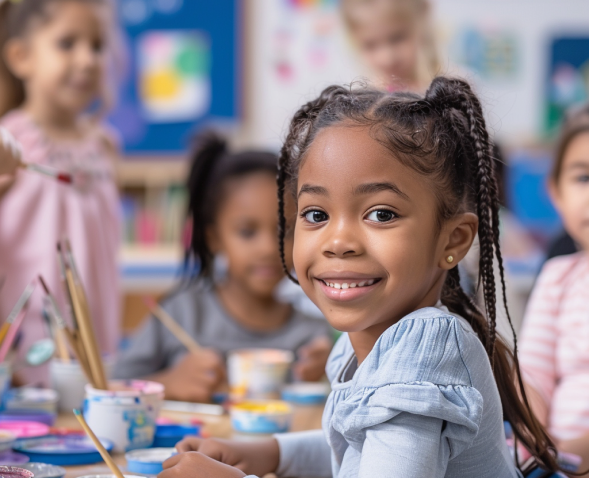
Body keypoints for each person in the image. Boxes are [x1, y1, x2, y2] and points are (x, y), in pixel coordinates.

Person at [158, 78, 567, 477]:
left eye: (381, 214)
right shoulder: (365, 343)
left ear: (453, 239)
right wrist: (265, 453)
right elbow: (357, 452)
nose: (338, 242)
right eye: (316, 215)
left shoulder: (426, 350)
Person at [113, 132, 334, 403]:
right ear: (214, 238)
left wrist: (330, 372)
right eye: (247, 232)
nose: (268, 248)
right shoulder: (180, 314)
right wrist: (167, 383)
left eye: (285, 231)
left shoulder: (312, 337)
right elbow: (110, 390)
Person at [0, 0, 121, 384]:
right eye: (67, 43)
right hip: (26, 351)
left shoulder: (104, 144)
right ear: (21, 57)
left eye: (97, 46)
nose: (87, 60)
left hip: (97, 341)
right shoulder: (9, 144)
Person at [519, 104, 589, 467]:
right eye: (583, 178)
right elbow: (534, 380)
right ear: (556, 192)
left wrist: (577, 450)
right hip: (556, 459)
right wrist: (534, 437)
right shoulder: (557, 277)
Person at [341, 0, 440, 93]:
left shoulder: (444, 87)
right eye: (370, 45)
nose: (387, 58)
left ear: (420, 23)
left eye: (397, 38)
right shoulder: (365, 98)